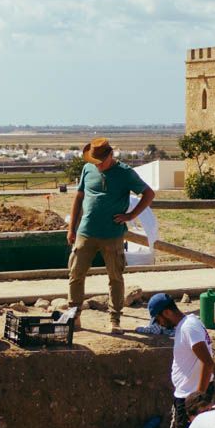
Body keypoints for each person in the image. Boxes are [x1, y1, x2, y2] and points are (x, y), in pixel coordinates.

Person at [66, 137, 156, 331]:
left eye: (100, 161)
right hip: (86, 232)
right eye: (94, 161)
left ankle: (114, 319)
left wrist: (131, 215)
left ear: (110, 155)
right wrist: (71, 228)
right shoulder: (87, 169)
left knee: (115, 277)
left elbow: (148, 194)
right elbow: (79, 197)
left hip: (112, 235)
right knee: (75, 273)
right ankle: (74, 315)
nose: (97, 165)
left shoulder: (125, 173)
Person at [149, 290, 215, 428]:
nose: (159, 324)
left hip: (191, 397)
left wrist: (198, 398)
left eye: (159, 319)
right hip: (188, 394)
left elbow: (207, 361)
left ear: (167, 312)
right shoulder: (185, 326)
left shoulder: (189, 328)